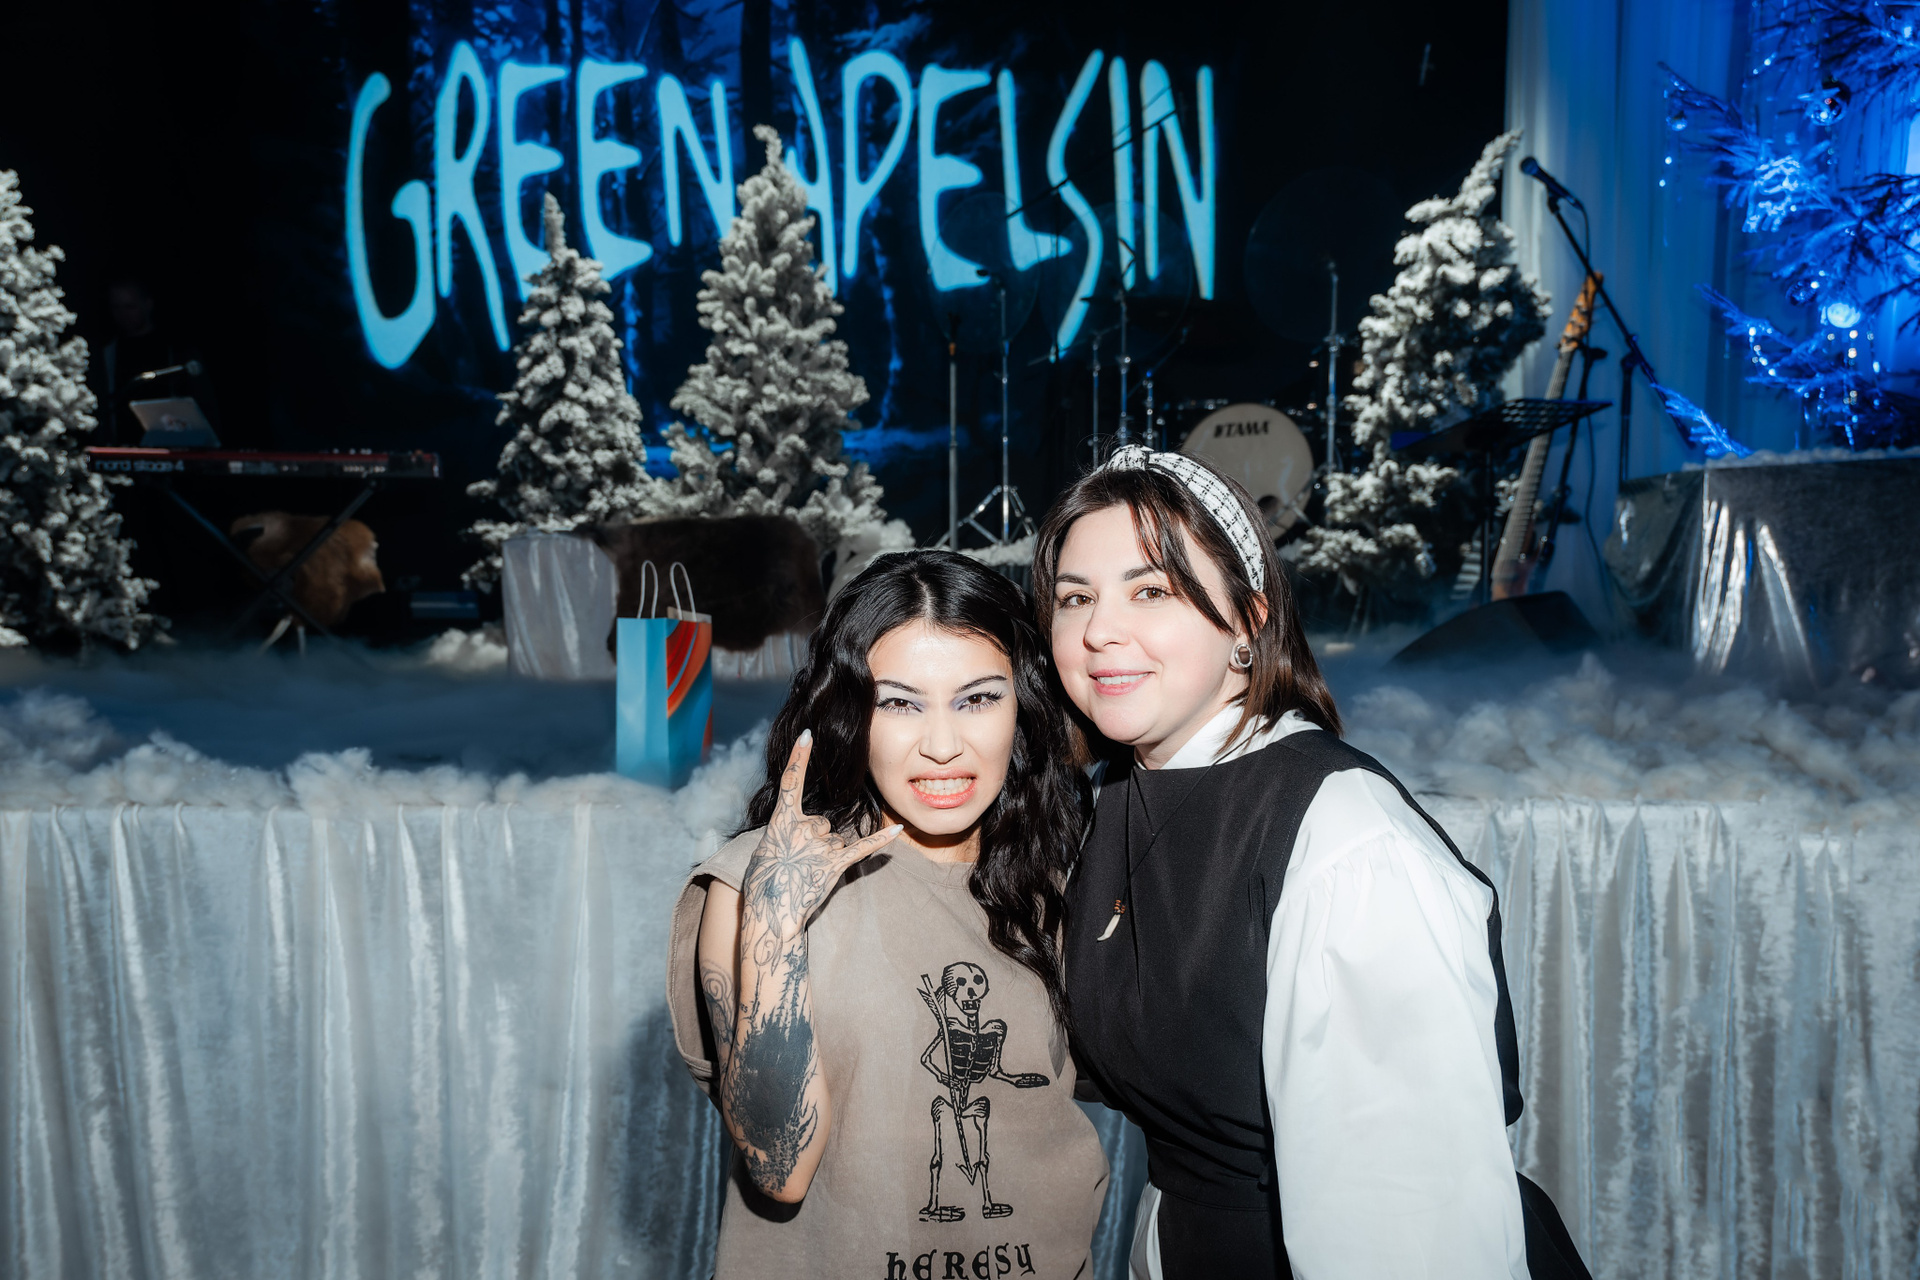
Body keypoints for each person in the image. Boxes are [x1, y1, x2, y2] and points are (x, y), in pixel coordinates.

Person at [1031, 445, 1589, 1279]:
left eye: (1151, 591)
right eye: (1075, 597)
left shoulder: (1347, 843)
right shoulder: (1121, 790)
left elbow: (1405, 1224)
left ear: (1248, 621)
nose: (1099, 631)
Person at [666, 550, 1109, 1278]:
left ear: (1024, 707)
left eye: (977, 699)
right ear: (849, 713)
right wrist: (775, 928)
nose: (943, 746)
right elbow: (779, 1167)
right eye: (899, 703)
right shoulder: (758, 882)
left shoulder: (1061, 874)